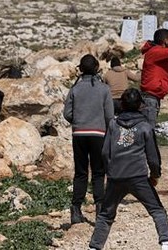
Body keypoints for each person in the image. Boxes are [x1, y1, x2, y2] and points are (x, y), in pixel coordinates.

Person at [88, 88, 168, 250]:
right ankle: (166, 244)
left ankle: (94, 247)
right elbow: (153, 157)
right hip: (138, 177)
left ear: (122, 105)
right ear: (141, 105)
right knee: (157, 210)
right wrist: (155, 175)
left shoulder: (113, 124)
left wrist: (110, 171)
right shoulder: (145, 127)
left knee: (105, 215)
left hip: (115, 178)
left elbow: (105, 152)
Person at [63, 54, 114, 224]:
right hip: (99, 134)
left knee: (81, 172)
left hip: (79, 134)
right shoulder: (104, 89)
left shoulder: (75, 89)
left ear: (81, 69)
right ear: (97, 68)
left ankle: (76, 210)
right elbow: (109, 115)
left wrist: (78, 121)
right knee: (99, 172)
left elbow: (67, 113)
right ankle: (100, 209)